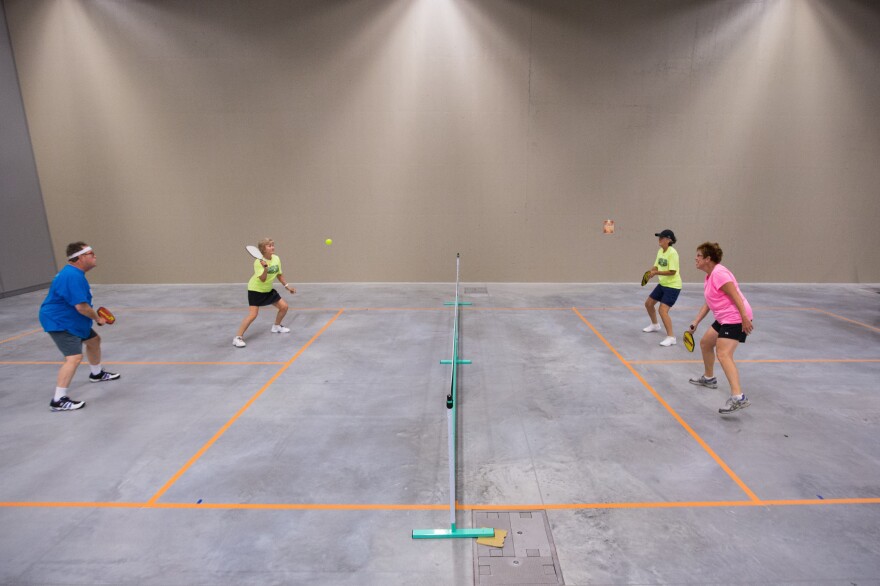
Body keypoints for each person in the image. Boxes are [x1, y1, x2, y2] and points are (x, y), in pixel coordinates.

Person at [39, 242, 120, 412]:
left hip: (74, 320)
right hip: (60, 321)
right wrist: (98, 318)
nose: (94, 256)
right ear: (81, 257)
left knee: (94, 341)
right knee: (74, 357)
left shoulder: (75, 273)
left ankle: (96, 374)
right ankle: (58, 400)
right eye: (91, 253)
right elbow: (81, 307)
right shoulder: (73, 276)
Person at [687, 242, 754, 414]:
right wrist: (696, 321)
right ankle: (709, 378)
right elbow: (709, 302)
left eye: (699, 256)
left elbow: (736, 295)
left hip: (736, 317)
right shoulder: (709, 276)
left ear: (708, 259)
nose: (696, 258)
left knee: (724, 354)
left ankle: (738, 397)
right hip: (724, 317)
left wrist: (744, 318)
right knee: (705, 343)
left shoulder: (719, 273)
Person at [233, 238, 296, 348]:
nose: (272, 247)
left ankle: (276, 327)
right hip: (256, 290)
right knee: (253, 315)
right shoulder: (258, 262)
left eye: (273, 245)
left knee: (284, 307)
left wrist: (287, 287)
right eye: (269, 246)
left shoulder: (276, 258)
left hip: (268, 290)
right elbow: (262, 279)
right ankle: (238, 338)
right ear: (263, 249)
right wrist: (265, 269)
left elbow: (279, 274)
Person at [642, 229, 682, 346]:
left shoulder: (673, 253)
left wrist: (657, 273)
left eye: (662, 237)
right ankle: (655, 325)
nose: (659, 239)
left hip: (673, 286)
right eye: (659, 237)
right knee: (648, 304)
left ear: (669, 240)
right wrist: (650, 272)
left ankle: (671, 337)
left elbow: (672, 271)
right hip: (663, 284)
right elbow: (655, 266)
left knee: (663, 310)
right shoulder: (660, 251)